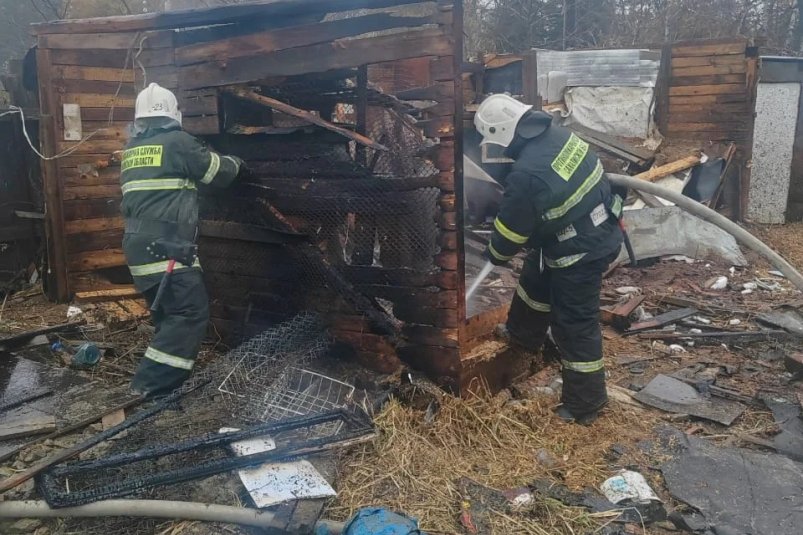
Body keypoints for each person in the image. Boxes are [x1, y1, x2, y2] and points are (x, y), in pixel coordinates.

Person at [474, 94, 624, 425]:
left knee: (574, 324)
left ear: (501, 132)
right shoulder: (557, 135)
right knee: (534, 282)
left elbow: (507, 241)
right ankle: (523, 336)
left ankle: (586, 404)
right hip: (584, 231)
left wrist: (493, 252)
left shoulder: (527, 175)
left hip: (581, 250)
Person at [121, 83, 244, 397]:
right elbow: (220, 174)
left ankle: (160, 383)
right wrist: (239, 162)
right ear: (174, 114)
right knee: (188, 314)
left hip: (139, 249)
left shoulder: (132, 150)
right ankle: (150, 388)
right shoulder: (178, 143)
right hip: (165, 249)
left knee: (168, 316)